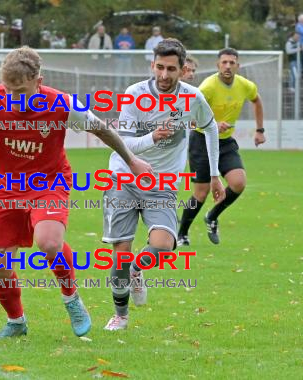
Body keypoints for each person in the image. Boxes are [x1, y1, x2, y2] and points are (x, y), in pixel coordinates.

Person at [0, 46, 153, 338]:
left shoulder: (61, 104)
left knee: (49, 243)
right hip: (6, 187)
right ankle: (16, 321)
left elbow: (101, 129)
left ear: (39, 81)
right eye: (9, 90)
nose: (14, 99)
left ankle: (71, 298)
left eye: (22, 91)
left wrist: (132, 160)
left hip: (48, 183)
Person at [102, 38, 225, 330]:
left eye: (172, 69)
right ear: (152, 66)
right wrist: (153, 137)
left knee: (164, 246)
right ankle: (120, 315)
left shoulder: (193, 98)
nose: (164, 75)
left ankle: (136, 271)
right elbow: (123, 142)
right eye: (160, 67)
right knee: (120, 253)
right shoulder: (135, 94)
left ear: (183, 70)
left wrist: (215, 174)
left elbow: (209, 129)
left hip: (161, 184)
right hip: (124, 177)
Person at [177, 48, 265, 246]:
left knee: (238, 183)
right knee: (201, 192)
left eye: (231, 63)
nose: (227, 66)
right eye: (224, 62)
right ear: (218, 65)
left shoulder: (245, 85)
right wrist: (212, 125)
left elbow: (256, 99)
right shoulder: (207, 87)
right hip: (201, 141)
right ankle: (182, 233)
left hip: (224, 142)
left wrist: (260, 129)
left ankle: (212, 215)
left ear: (237, 66)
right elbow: (187, 117)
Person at [114, 27, 135, 91]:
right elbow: (115, 48)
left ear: (127, 31)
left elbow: (133, 48)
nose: (124, 31)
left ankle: (126, 87)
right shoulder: (118, 38)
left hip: (128, 58)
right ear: (121, 31)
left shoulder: (130, 38)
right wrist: (116, 57)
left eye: (126, 30)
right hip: (120, 58)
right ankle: (117, 86)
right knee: (118, 72)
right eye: (123, 30)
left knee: (127, 73)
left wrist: (131, 56)